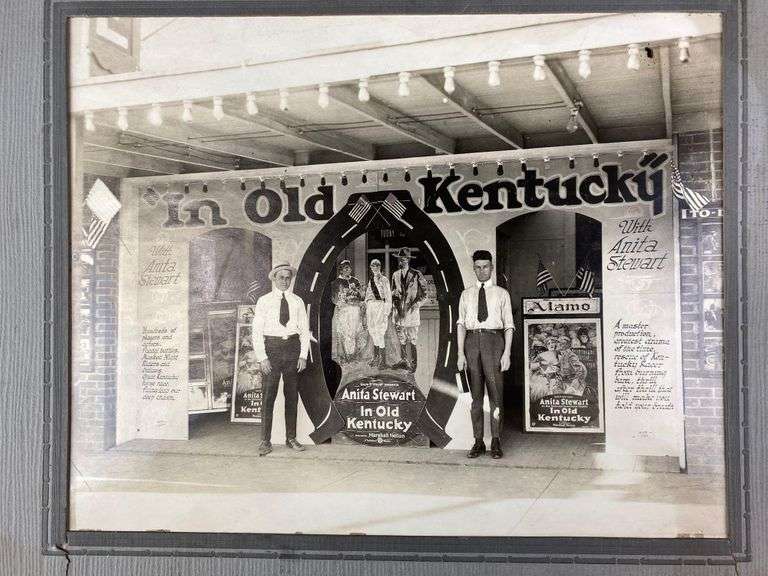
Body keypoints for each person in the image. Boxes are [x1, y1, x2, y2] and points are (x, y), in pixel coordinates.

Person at [456, 250, 514, 459]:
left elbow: (509, 326)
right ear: (474, 268)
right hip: (472, 342)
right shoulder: (466, 294)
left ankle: (496, 441)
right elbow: (461, 325)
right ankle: (478, 441)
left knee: (496, 394)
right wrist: (460, 353)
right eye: (478, 267)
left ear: (492, 267)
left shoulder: (501, 293)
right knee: (476, 396)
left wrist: (506, 353)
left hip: (494, 341)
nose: (482, 270)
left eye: (486, 266)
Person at [251, 262, 310, 456]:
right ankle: (265, 441)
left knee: (291, 395)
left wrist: (302, 355)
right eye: (281, 277)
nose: (285, 281)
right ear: (274, 279)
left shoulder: (297, 301)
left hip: (292, 350)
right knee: (269, 396)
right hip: (272, 351)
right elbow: (256, 332)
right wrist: (262, 358)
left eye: (288, 278)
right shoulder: (264, 301)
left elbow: (304, 331)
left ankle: (291, 437)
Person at [390, 248, 429, 372]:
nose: (403, 260)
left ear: (409, 260)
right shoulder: (395, 274)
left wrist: (417, 305)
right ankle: (404, 361)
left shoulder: (416, 274)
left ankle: (413, 364)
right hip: (399, 312)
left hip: (411, 312)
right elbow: (392, 292)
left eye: (405, 258)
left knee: (412, 337)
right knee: (401, 337)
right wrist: (394, 296)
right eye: (401, 258)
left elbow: (426, 293)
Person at [330, 260, 364, 364]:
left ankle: (353, 355)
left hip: (355, 309)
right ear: (340, 269)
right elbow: (333, 298)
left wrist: (356, 294)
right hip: (344, 310)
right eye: (345, 267)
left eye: (349, 267)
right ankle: (345, 355)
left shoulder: (355, 281)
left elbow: (361, 295)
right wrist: (341, 301)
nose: (347, 269)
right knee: (345, 331)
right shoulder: (336, 282)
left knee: (354, 331)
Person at [364, 258, 392, 368]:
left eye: (377, 266)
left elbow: (388, 296)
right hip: (371, 308)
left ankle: (383, 361)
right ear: (370, 268)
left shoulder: (384, 279)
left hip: (381, 306)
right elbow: (367, 294)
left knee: (380, 332)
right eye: (373, 266)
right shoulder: (371, 280)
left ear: (380, 267)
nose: (375, 268)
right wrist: (367, 303)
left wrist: (386, 310)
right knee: (373, 331)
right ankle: (376, 358)